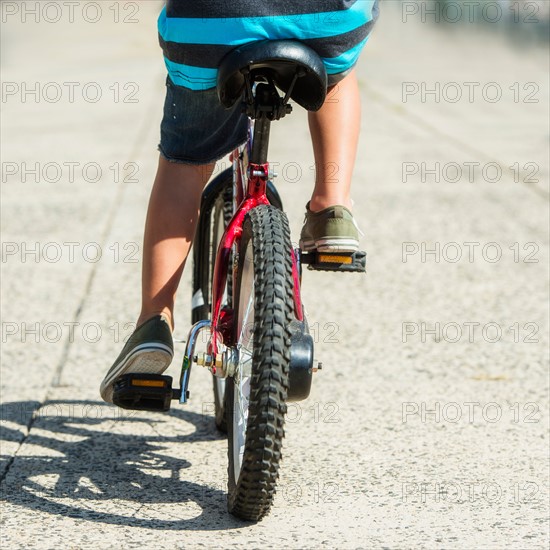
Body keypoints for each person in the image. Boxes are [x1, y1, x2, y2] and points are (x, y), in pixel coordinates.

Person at [100, 0, 379, 404]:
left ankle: (154, 321)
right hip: (324, 18)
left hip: (210, 25)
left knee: (186, 162)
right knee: (338, 71)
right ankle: (332, 206)